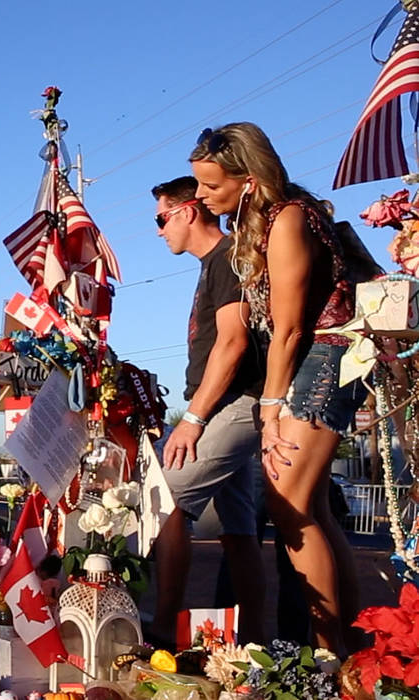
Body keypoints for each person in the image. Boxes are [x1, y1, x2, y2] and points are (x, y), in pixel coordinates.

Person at [190, 123, 366, 655]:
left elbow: (287, 329)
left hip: (326, 356)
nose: (200, 196)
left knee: (287, 505)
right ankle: (352, 647)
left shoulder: (288, 219)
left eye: (211, 185)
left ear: (248, 180)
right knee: (312, 508)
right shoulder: (269, 221)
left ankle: (328, 656)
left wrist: (270, 411)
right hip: (316, 358)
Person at [149, 176, 266, 645]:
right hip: (223, 403)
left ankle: (164, 628)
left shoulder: (227, 257)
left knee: (167, 501)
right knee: (238, 529)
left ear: (186, 211)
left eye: (162, 219)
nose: (159, 231)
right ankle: (253, 637)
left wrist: (193, 419)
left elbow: (233, 343)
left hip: (233, 404)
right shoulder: (215, 262)